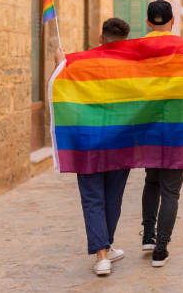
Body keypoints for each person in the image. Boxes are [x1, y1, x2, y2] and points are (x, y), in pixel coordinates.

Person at [54, 17, 132, 276]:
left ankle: (102, 255)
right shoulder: (134, 67)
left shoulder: (79, 63)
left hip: (86, 142)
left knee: (92, 198)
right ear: (125, 41)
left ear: (101, 39)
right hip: (121, 142)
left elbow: (61, 86)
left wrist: (59, 64)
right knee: (113, 197)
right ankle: (104, 249)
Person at [140, 0, 183, 268]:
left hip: (147, 125)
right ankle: (160, 249)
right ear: (172, 22)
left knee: (152, 181)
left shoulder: (136, 50)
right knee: (171, 190)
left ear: (148, 22)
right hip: (175, 127)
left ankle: (148, 235)